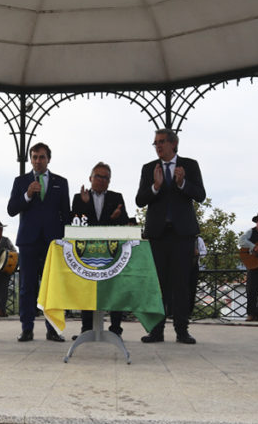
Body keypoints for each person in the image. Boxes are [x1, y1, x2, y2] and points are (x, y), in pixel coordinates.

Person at [135, 128, 205, 344]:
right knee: (158, 286)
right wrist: (155, 187)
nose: (158, 146)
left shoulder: (189, 165)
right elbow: (140, 200)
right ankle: (156, 332)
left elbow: (200, 195)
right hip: (157, 236)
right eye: (155, 142)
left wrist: (183, 183)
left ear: (174, 144)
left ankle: (182, 331)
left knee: (181, 285)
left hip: (182, 235)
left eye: (162, 142)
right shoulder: (149, 168)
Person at [8, 142, 71, 342]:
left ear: (48, 159)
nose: (37, 161)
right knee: (27, 286)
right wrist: (27, 195)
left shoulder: (61, 182)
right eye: (34, 157)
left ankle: (52, 329)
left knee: (52, 286)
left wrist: (65, 240)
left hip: (53, 242)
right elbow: (11, 209)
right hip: (28, 241)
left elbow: (66, 214)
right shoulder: (21, 181)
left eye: (41, 157)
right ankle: (27, 328)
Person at [70, 162, 129, 336]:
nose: (102, 180)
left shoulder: (116, 197)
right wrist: (85, 204)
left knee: (114, 288)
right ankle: (86, 329)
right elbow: (77, 222)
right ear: (90, 178)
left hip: (111, 252)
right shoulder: (79, 197)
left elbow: (124, 222)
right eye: (98, 176)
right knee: (86, 288)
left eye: (106, 177)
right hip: (87, 253)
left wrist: (115, 217)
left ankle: (115, 329)